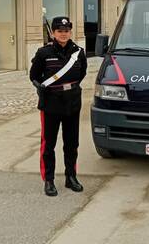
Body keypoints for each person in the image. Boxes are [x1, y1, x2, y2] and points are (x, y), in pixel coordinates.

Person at [29, 16, 87, 196]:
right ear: (53, 33)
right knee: (49, 144)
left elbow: (82, 73)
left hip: (72, 102)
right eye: (60, 31)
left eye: (66, 31)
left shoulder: (78, 52)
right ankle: (49, 180)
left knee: (72, 143)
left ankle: (71, 177)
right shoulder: (43, 53)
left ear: (70, 32)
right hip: (51, 104)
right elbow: (34, 75)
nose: (63, 34)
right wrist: (40, 87)